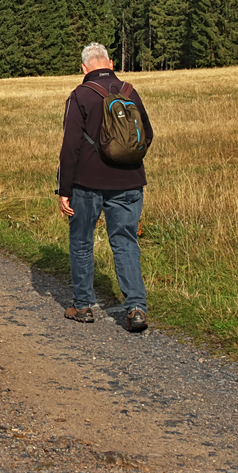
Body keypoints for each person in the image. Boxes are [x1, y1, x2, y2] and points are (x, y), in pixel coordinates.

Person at [57, 42, 154, 333]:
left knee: (83, 241)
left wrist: (64, 189)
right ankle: (136, 308)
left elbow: (70, 146)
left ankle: (83, 306)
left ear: (84, 68)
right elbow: (146, 135)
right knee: (125, 242)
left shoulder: (80, 95)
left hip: (87, 184)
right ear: (110, 63)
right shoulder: (129, 92)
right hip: (130, 181)